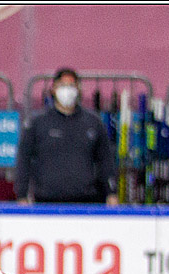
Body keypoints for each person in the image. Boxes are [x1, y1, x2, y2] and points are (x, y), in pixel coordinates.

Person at [15, 68, 118, 205]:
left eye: (71, 85)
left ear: (79, 89)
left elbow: (105, 160)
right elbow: (24, 159)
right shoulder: (37, 123)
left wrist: (111, 192)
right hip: (46, 201)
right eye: (62, 85)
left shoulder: (93, 122)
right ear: (53, 89)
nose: (67, 90)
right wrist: (21, 194)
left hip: (86, 200)